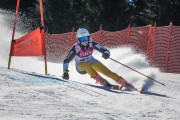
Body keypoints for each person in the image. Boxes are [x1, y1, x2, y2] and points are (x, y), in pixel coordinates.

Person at [62, 28, 131, 90]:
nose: (84, 41)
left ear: (89, 37)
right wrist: (65, 72)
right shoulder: (76, 48)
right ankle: (102, 81)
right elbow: (66, 60)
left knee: (106, 71)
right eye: (82, 39)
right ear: (78, 40)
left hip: (90, 61)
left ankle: (124, 83)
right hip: (80, 66)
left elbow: (104, 50)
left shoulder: (92, 44)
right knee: (85, 65)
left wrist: (106, 53)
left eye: (86, 38)